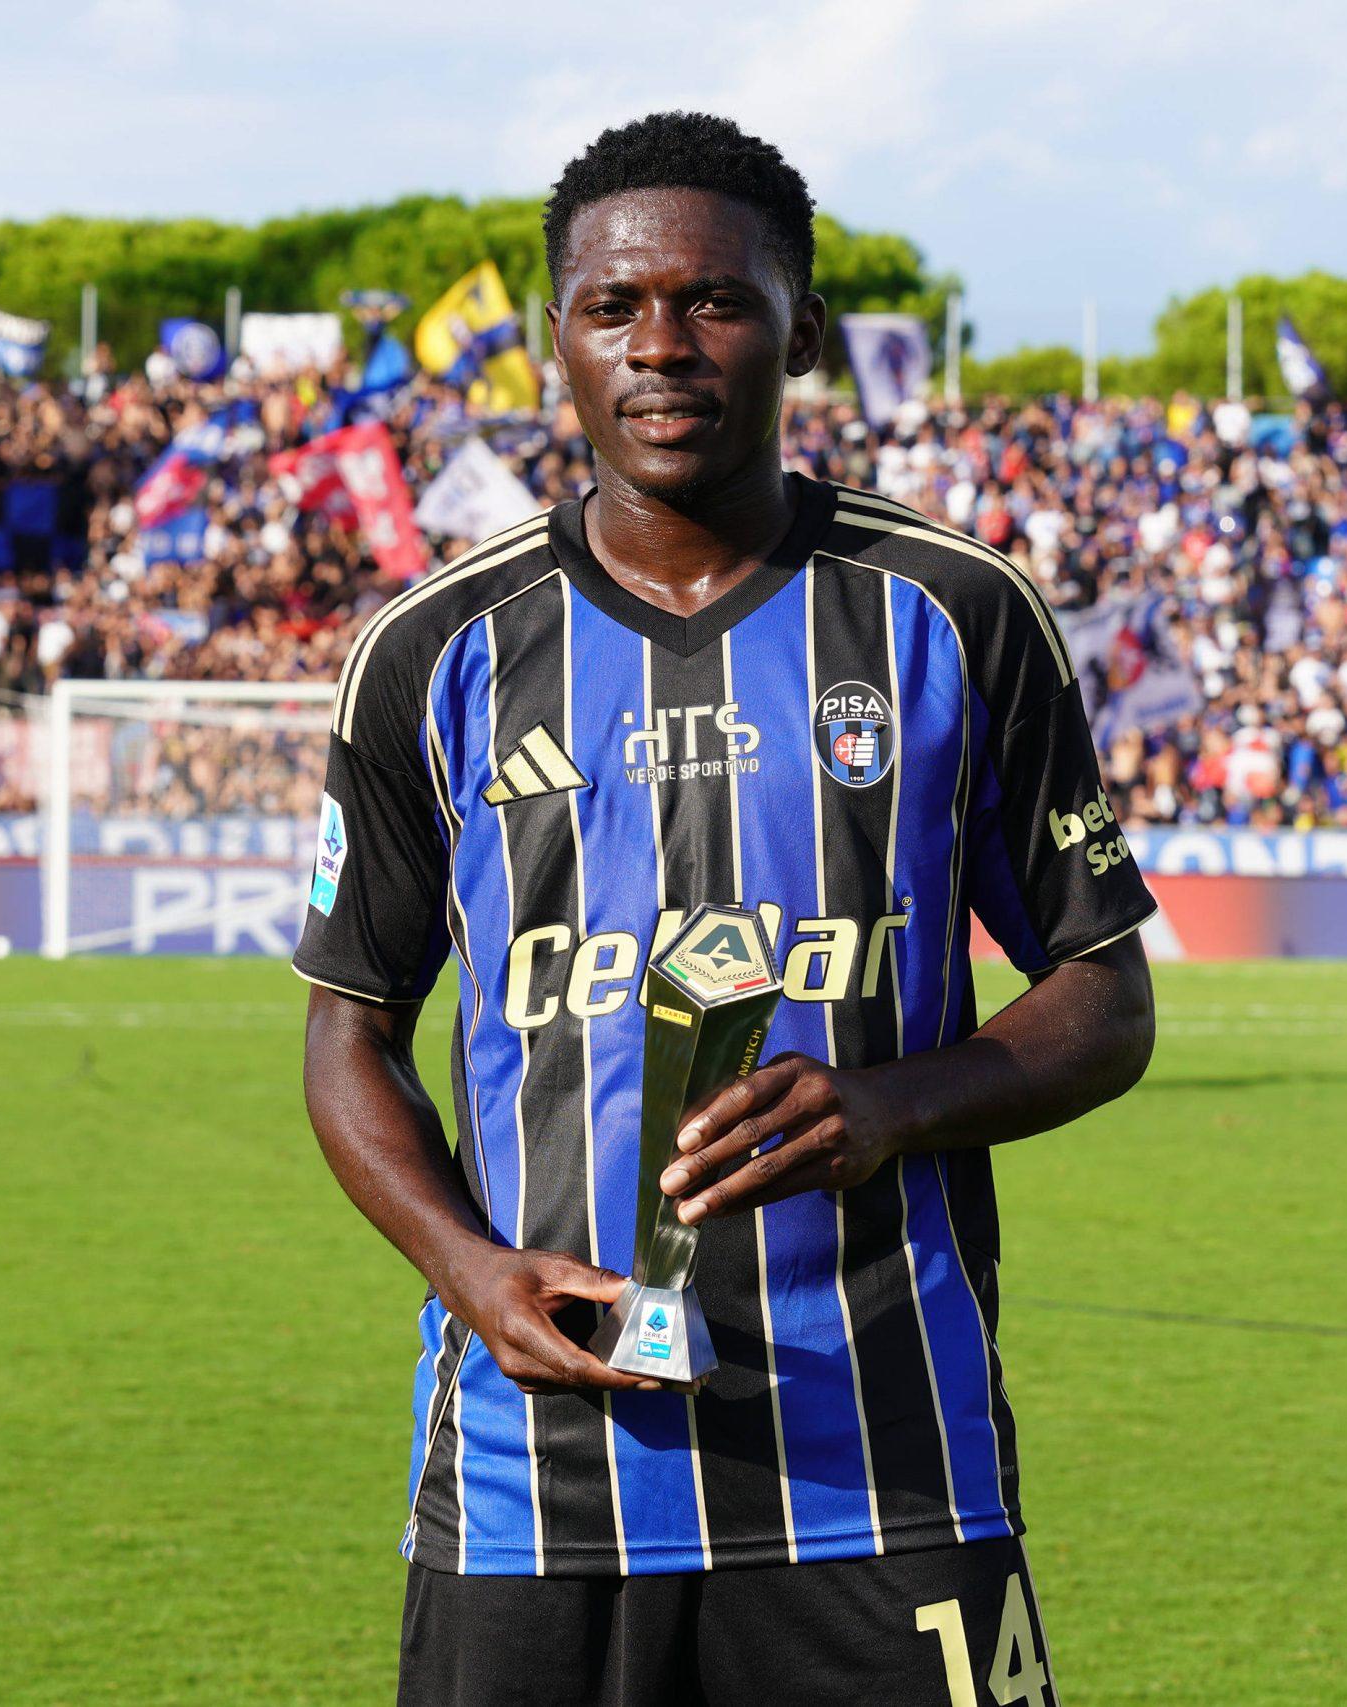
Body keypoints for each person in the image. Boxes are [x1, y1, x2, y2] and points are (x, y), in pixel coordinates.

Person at [295, 112, 1158, 1704]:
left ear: (801, 329)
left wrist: (892, 1107)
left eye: (715, 301)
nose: (661, 347)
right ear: (556, 339)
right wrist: (465, 1271)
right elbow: (347, 1032)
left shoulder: (952, 614)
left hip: (888, 1454)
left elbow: (1106, 993)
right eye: (613, 308)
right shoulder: (434, 651)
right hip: (536, 1475)